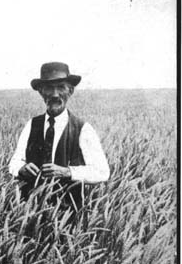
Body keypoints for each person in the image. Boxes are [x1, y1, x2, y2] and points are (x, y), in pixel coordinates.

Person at [8, 62, 110, 209]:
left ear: (70, 91)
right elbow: (15, 162)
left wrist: (67, 172)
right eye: (49, 88)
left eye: (61, 87)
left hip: (67, 216)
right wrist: (21, 169)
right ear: (41, 92)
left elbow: (102, 172)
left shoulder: (83, 129)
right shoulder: (32, 125)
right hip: (29, 210)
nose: (55, 94)